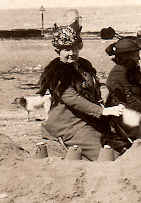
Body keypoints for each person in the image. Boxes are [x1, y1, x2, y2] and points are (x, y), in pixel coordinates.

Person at [37, 25, 125, 161]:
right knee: (106, 155)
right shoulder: (57, 72)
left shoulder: (84, 66)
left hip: (89, 119)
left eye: (74, 48)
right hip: (69, 125)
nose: (71, 53)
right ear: (57, 51)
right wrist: (102, 111)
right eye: (66, 50)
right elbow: (72, 98)